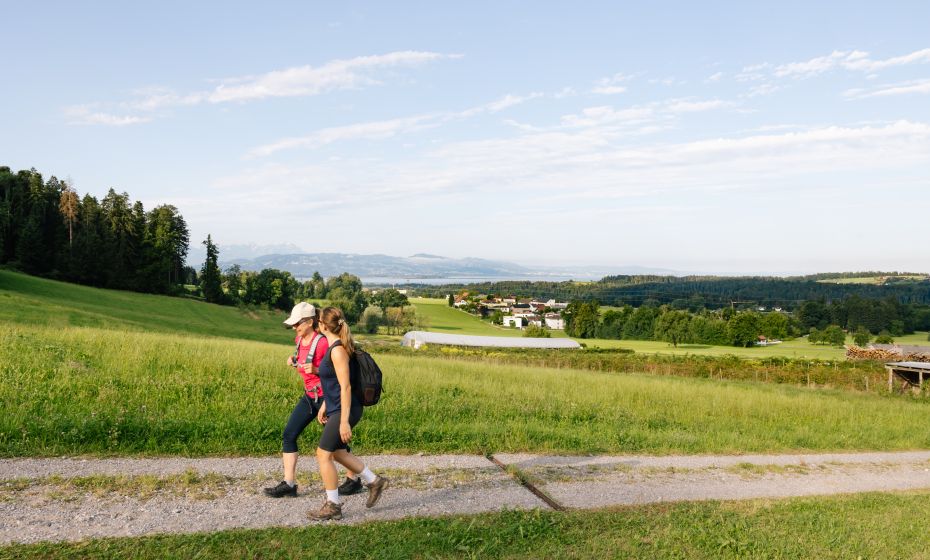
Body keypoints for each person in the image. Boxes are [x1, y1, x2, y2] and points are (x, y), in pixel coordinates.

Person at [264, 302, 363, 498]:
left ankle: (354, 480)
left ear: (310, 322)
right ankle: (289, 484)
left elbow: (336, 373)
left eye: (297, 323)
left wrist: (317, 371)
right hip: (310, 396)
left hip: (328, 398)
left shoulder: (324, 343)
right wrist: (295, 361)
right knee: (289, 434)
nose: (294, 327)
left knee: (337, 443)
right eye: (293, 325)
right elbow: (305, 363)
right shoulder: (299, 340)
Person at [307, 306, 388, 521]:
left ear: (323, 325)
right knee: (338, 453)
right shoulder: (334, 347)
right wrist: (325, 405)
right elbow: (334, 383)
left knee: (323, 454)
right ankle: (375, 481)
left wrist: (344, 421)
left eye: (318, 320)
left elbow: (346, 387)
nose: (316, 323)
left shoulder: (337, 350)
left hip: (346, 410)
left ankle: (333, 506)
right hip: (336, 407)